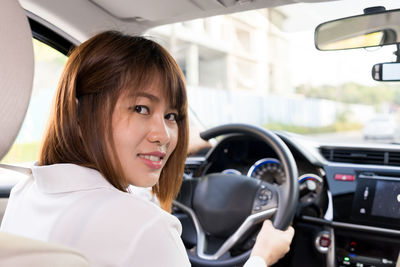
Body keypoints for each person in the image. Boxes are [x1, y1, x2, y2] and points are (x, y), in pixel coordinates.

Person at [0, 31, 294, 267]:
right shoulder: (146, 229)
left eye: (171, 116)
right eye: (141, 108)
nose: (164, 135)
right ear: (80, 115)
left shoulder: (26, 192)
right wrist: (261, 257)